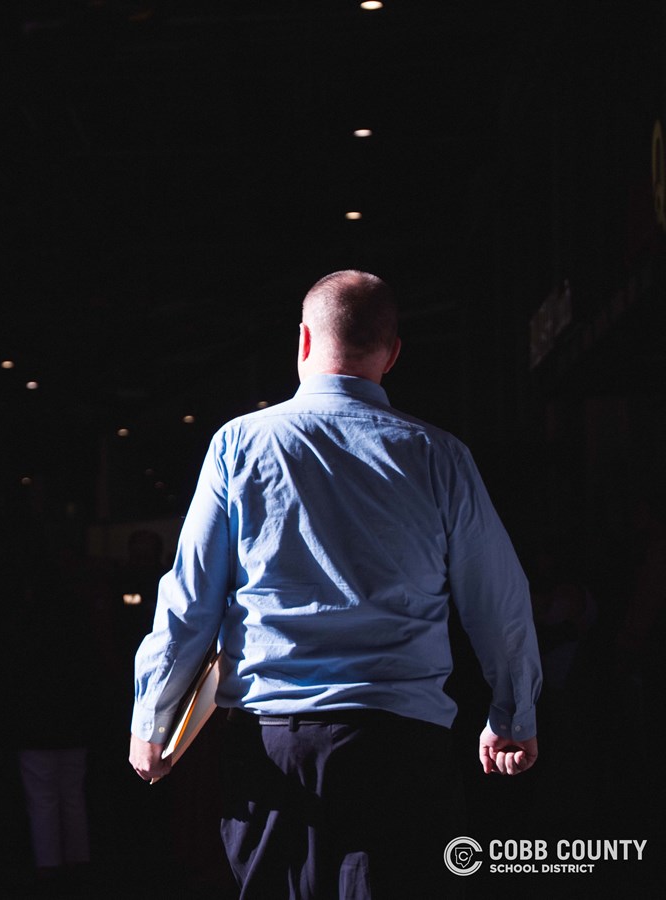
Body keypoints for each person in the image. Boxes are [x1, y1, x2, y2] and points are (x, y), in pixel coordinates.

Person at [127, 271, 543, 898]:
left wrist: (154, 721)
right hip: (403, 747)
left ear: (302, 342)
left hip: (274, 749)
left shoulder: (239, 445)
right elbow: (500, 602)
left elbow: (191, 600)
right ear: (393, 353)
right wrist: (512, 712)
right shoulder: (440, 456)